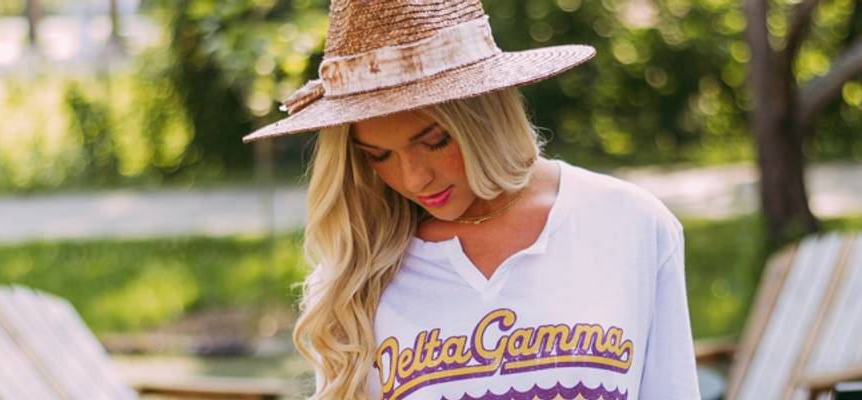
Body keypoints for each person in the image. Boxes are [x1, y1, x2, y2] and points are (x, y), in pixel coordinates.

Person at [242, 0, 700, 398]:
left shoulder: (629, 224)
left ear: (485, 115)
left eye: (435, 141)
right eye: (378, 155)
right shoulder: (358, 272)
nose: (414, 178)